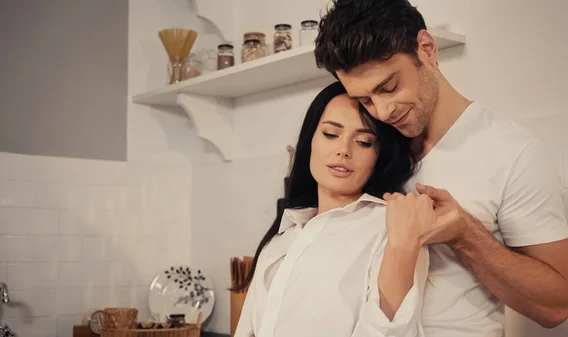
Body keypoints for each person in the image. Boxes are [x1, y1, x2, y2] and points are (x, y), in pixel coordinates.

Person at [313, 0, 568, 336]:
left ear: (427, 49)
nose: (383, 110)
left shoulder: (514, 152)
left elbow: (557, 306)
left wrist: (465, 234)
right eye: (364, 100)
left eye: (388, 87)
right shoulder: (372, 145)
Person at [233, 81, 433, 337]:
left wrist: (402, 245)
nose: (343, 150)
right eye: (330, 134)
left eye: (363, 142)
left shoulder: (390, 227)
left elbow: (391, 330)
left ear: (379, 156)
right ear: (310, 142)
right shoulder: (285, 234)